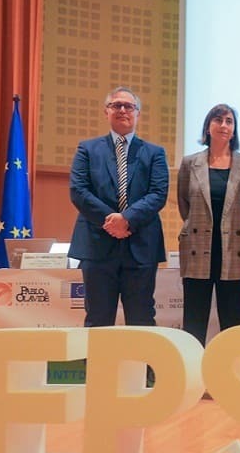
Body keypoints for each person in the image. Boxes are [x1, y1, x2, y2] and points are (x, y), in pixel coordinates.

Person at [69, 86, 169, 334]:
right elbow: (78, 190)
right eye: (116, 105)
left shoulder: (155, 153)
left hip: (141, 247)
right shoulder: (87, 150)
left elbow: (158, 194)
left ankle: (144, 373)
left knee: (142, 319)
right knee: (98, 319)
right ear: (106, 111)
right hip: (96, 245)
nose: (123, 110)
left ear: (137, 113)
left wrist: (126, 219)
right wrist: (111, 221)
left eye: (129, 106)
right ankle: (98, 374)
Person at [177, 104, 240, 346]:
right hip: (197, 248)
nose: (224, 125)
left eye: (229, 121)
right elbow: (185, 204)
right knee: (194, 319)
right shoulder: (189, 163)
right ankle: (193, 376)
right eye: (218, 120)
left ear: (234, 130)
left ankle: (232, 376)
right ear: (208, 126)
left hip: (235, 249)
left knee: (233, 322)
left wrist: (238, 228)